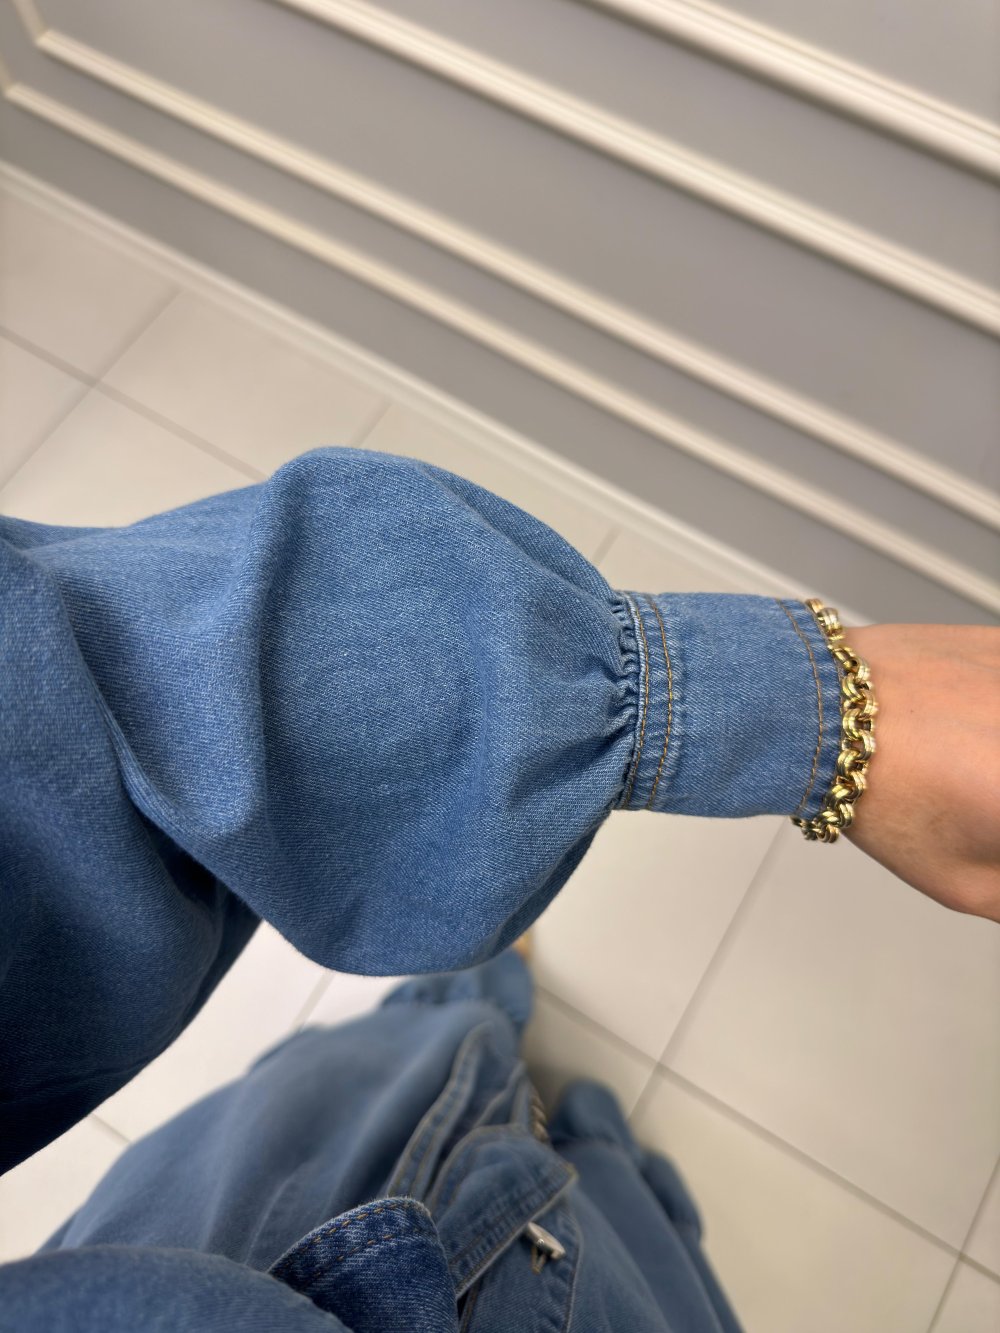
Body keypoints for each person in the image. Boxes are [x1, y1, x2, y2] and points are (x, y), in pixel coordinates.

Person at [1, 447, 997, 1332]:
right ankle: (547, 1088)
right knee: (527, 1142)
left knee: (429, 1058)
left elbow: (64, 749)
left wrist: (770, 703)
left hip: (294, 1222)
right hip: (371, 1242)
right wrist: (776, 701)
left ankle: (491, 1027)